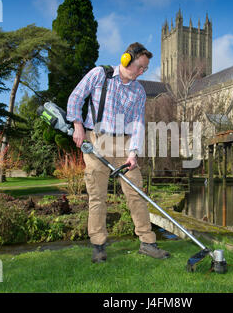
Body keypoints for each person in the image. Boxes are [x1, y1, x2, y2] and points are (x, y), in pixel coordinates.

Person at [66, 42, 170, 263]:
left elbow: (138, 124)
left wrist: (133, 153)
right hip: (96, 141)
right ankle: (98, 245)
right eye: (140, 67)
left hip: (123, 144)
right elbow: (76, 98)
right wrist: (77, 125)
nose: (142, 72)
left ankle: (148, 243)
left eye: (145, 69)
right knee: (98, 196)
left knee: (137, 193)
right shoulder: (99, 75)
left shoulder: (139, 91)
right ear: (126, 59)